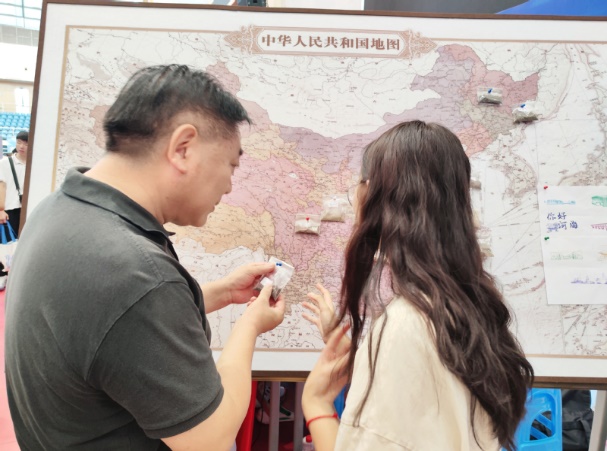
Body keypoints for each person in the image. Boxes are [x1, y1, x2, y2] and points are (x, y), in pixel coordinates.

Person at [5, 65, 286, 450]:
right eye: (230, 165)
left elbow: (108, 327)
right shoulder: (135, 273)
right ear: (183, 148)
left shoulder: (58, 209)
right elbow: (212, 437)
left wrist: (222, 292)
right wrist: (250, 326)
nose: (228, 185)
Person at [301, 120, 534, 451]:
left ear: (378, 197)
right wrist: (359, 351)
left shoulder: (404, 325)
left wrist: (317, 404)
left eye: (361, 184)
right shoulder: (464, 309)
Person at [0, 129, 27, 234]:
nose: (21, 146)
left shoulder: (34, 164)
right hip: (9, 210)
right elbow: (1, 186)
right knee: (8, 242)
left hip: (27, 210)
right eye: (19, 142)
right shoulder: (4, 163)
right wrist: (1, 210)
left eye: (25, 144)